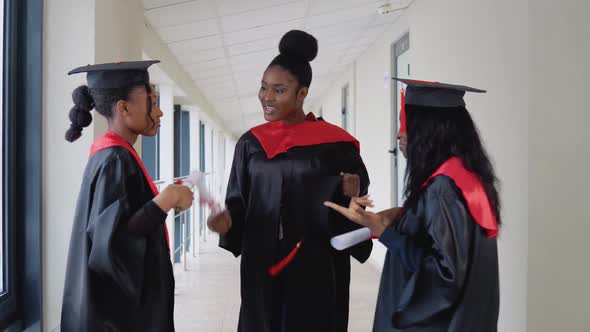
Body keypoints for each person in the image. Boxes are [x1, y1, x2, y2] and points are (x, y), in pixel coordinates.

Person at [207, 30, 372, 332]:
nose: (267, 98)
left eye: (279, 90)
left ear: (302, 93)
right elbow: (238, 202)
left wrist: (353, 192)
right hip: (262, 263)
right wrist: (228, 222)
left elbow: (355, 205)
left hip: (316, 265)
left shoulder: (336, 144)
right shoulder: (251, 143)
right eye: (263, 88)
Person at [326, 79, 501, 332]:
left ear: (431, 129)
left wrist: (385, 233)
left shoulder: (443, 188)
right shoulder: (464, 177)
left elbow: (444, 277)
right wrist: (405, 216)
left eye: (405, 123)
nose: (399, 133)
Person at [61, 60, 193, 332]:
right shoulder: (114, 160)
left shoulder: (113, 155)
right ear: (124, 108)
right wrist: (165, 200)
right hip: (117, 319)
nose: (159, 112)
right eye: (151, 102)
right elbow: (112, 246)